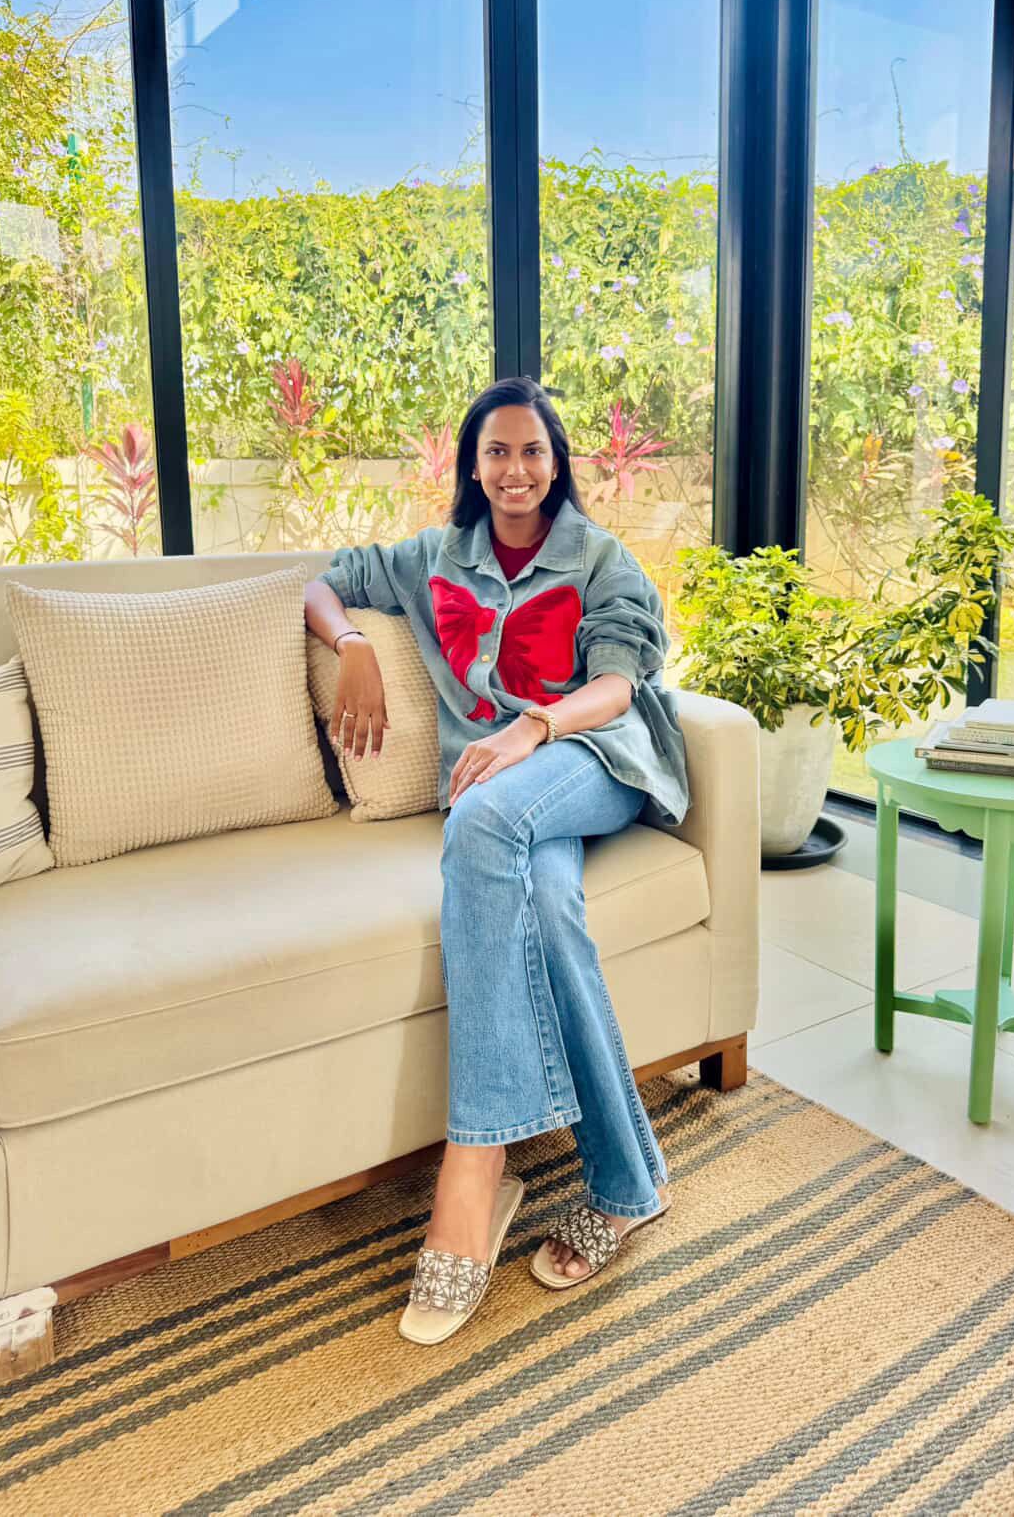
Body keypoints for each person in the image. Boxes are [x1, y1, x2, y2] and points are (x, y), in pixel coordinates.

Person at [303, 375, 690, 1344]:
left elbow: (616, 686)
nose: (514, 469)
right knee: (546, 910)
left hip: (593, 758)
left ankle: (473, 1170)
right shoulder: (435, 559)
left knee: (476, 821)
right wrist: (349, 640)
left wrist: (530, 728)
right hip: (507, 798)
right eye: (495, 452)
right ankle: (625, 1182)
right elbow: (317, 582)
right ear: (471, 468)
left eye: (531, 450)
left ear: (556, 462)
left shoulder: (598, 560)